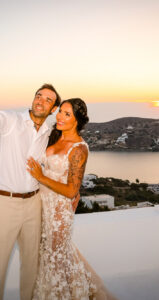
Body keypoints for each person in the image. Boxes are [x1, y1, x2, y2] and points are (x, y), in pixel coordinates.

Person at [0, 53, 65, 300]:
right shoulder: (11, 121)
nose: (41, 100)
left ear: (52, 108)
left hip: (33, 204)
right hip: (5, 203)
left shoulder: (50, 130)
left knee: (31, 263)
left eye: (47, 99)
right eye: (38, 95)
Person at [27, 99, 117, 299]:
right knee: (49, 257)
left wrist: (41, 177)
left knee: (55, 260)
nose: (60, 116)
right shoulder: (53, 136)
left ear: (77, 120)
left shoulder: (79, 149)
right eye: (60, 111)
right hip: (41, 206)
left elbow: (70, 190)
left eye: (67, 114)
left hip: (59, 212)